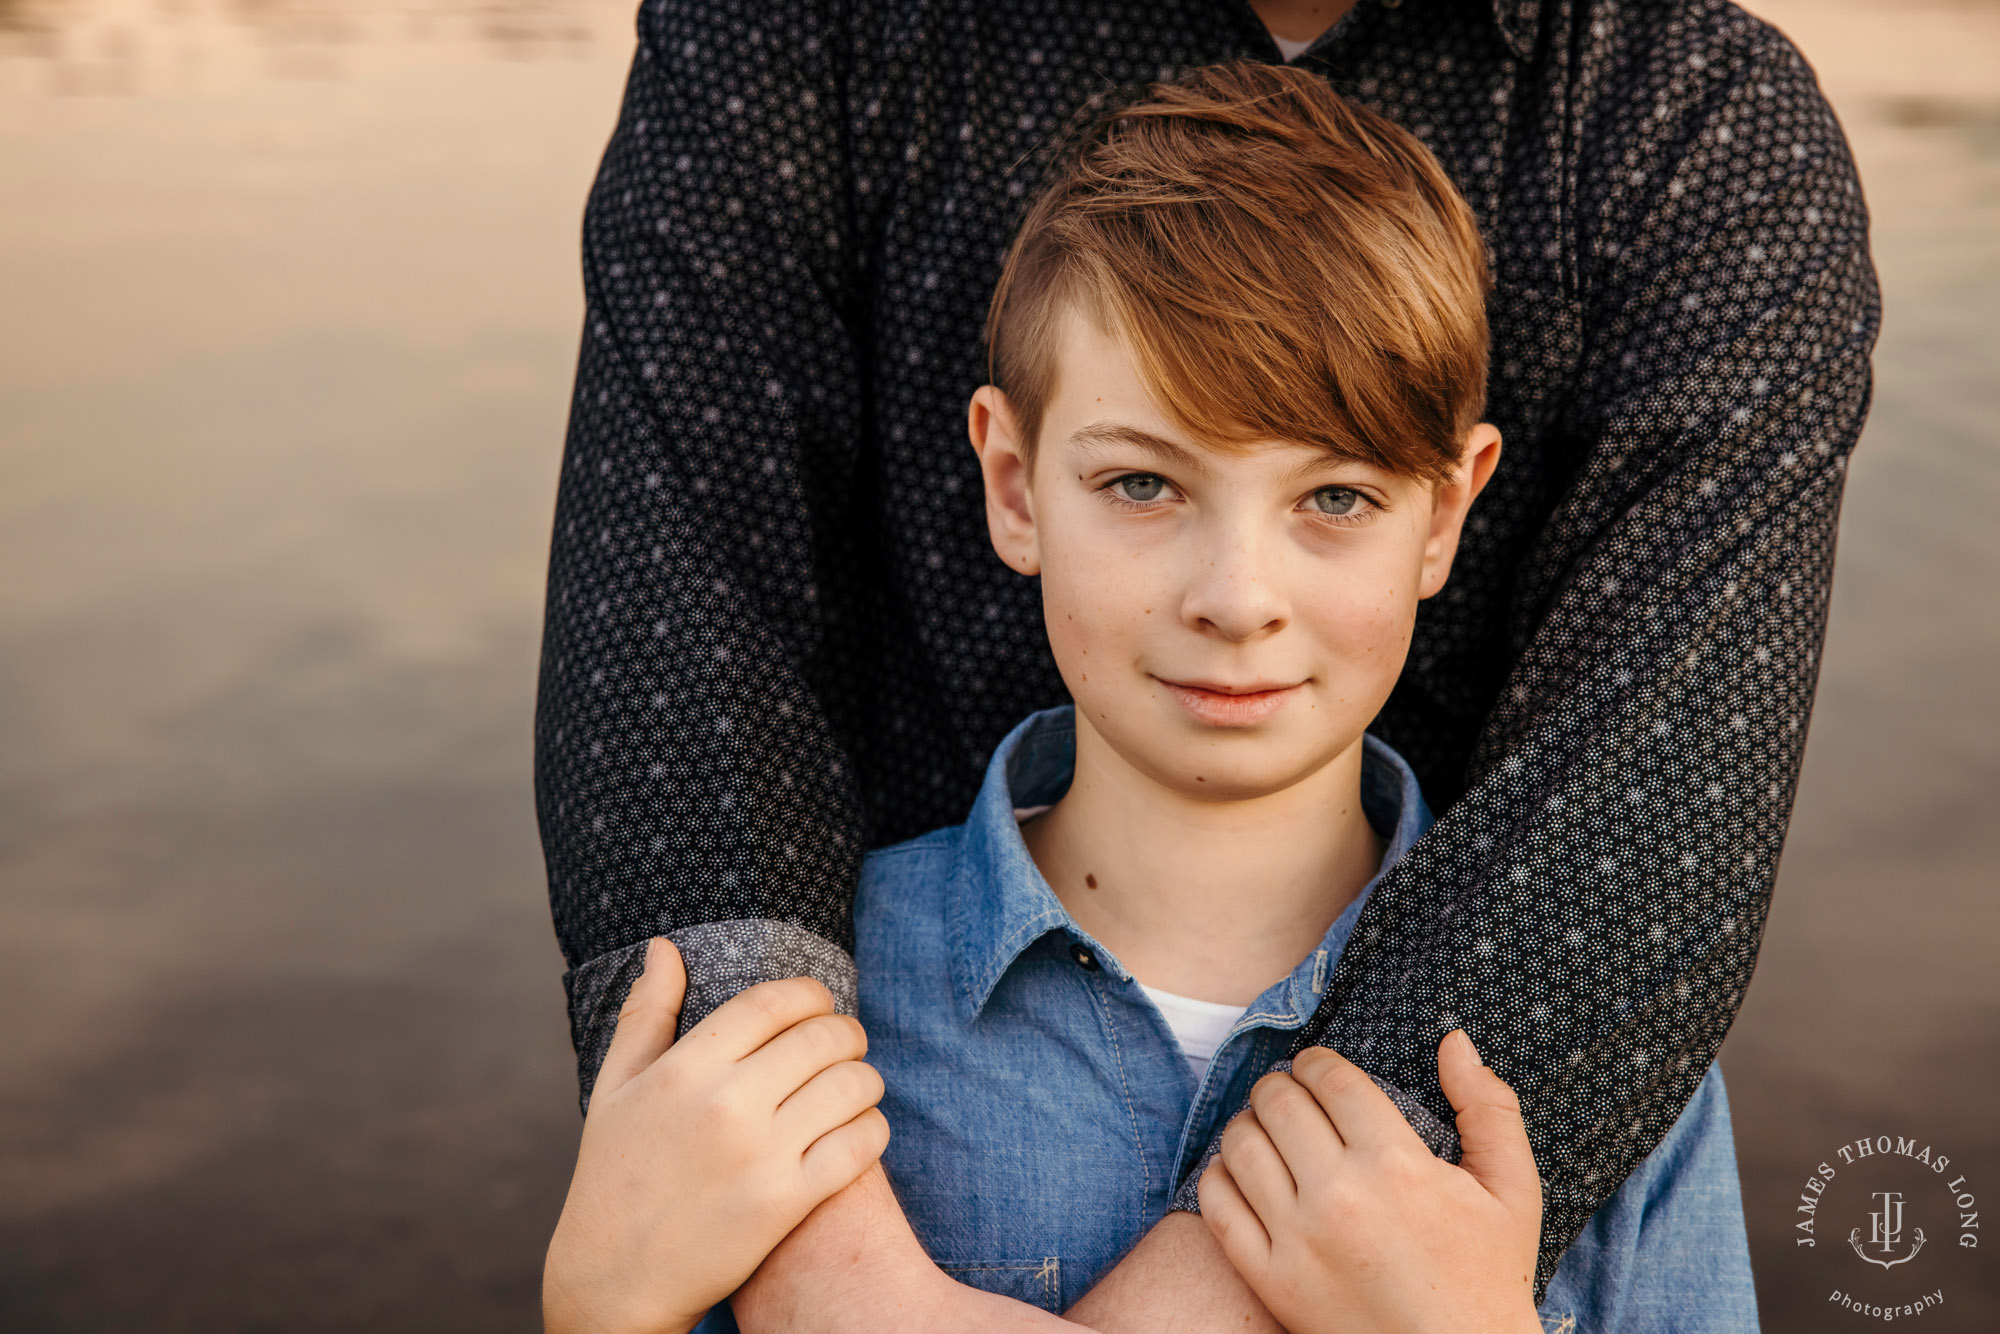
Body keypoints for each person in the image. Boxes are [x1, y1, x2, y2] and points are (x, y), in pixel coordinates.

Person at [536, 0, 1877, 1303]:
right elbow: (673, 587)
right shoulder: (813, 1058)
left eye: (1336, 497)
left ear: (1447, 512)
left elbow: (1673, 777)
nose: (1239, 597)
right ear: (1013, 482)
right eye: (1142, 483)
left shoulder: (1620, 1070)